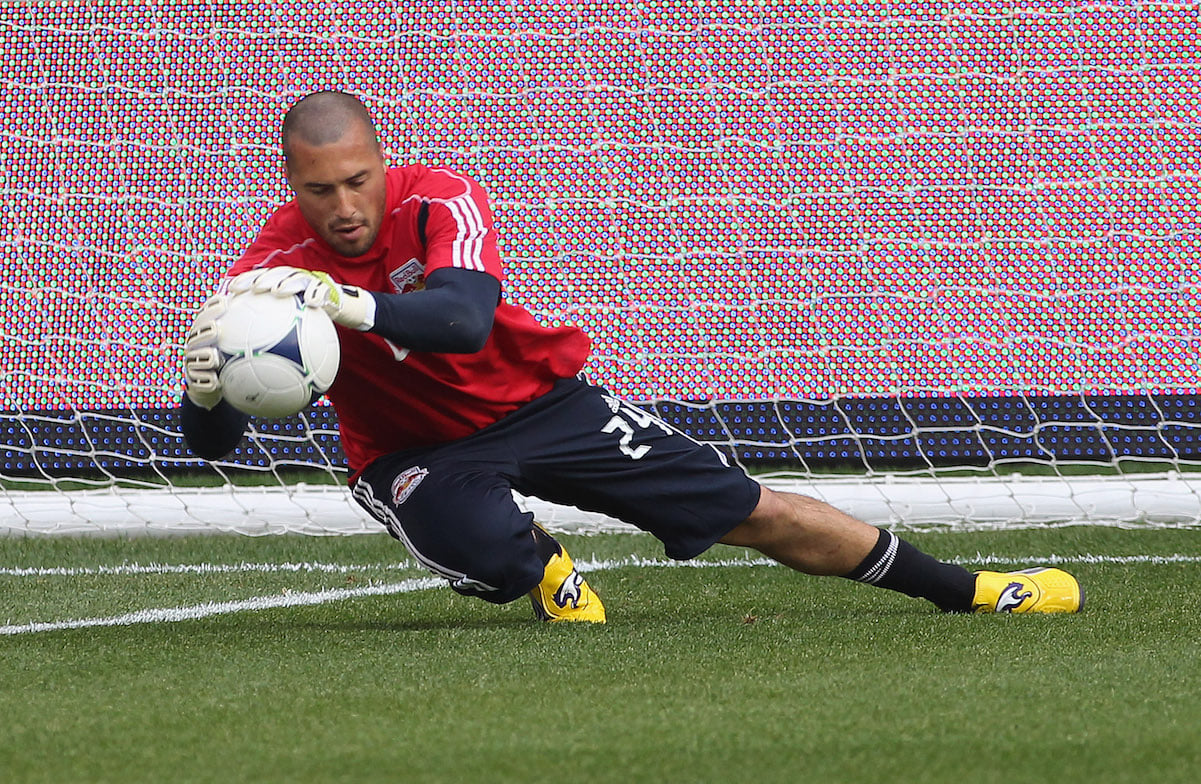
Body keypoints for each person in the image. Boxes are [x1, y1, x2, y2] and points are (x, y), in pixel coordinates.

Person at [180, 90, 1083, 623]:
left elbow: (459, 320)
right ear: (290, 185)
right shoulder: (266, 272)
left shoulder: (439, 200)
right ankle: (542, 562)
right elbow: (218, 444)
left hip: (542, 403)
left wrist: (349, 303)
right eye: (317, 188)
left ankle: (975, 591)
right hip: (416, 455)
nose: (342, 205)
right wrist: (204, 390)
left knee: (749, 510)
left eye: (356, 180)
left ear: (385, 162)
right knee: (496, 564)